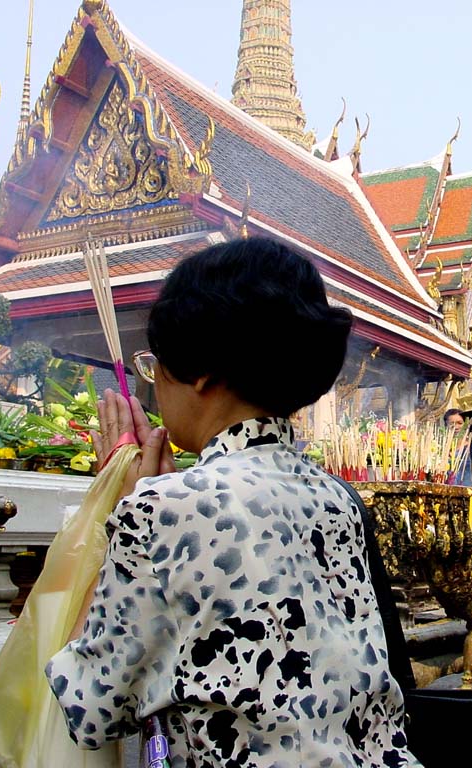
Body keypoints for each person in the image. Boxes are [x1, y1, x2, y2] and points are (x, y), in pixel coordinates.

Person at [45, 238, 418, 766]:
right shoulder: (338, 499)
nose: (155, 387)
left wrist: (123, 513)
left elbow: (88, 707)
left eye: (156, 366)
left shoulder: (162, 509)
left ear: (199, 372)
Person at [444, 407, 472, 484]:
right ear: (445, 425)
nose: (456, 427)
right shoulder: (439, 448)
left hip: (466, 491)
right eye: (452, 423)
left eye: (459, 423)